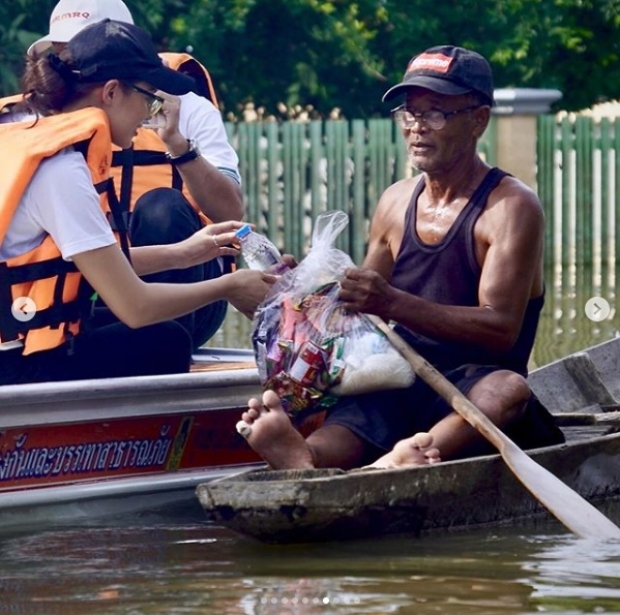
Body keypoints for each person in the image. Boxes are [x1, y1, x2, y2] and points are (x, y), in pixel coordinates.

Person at [237, 45, 565, 470]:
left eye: (435, 114)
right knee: (359, 413)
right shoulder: (395, 201)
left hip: (473, 386)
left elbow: (501, 329)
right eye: (410, 113)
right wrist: (306, 291)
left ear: (478, 120)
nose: (416, 128)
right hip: (398, 376)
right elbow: (355, 311)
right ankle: (305, 456)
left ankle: (416, 453)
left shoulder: (509, 208)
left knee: (508, 390)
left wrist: (391, 302)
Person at [0, 19, 273, 385]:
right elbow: (135, 307)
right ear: (112, 92)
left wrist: (185, 253)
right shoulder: (60, 169)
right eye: (148, 98)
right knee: (165, 341)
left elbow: (93, 265)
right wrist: (230, 285)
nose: (149, 115)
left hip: (16, 335)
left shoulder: (27, 137)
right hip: (16, 362)